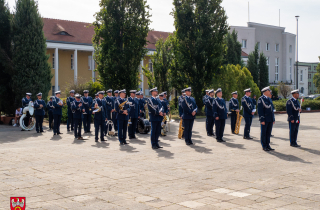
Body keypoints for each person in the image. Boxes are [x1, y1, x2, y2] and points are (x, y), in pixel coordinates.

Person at [258, 86, 275, 151]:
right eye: (269, 91)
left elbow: (272, 109)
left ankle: (268, 145)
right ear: (265, 92)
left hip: (270, 119)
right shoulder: (261, 99)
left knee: (268, 133)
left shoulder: (269, 99)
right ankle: (264, 145)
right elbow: (260, 110)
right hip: (265, 119)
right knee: (264, 133)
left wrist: (273, 119)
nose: (270, 92)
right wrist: (262, 119)